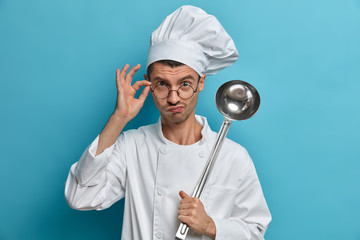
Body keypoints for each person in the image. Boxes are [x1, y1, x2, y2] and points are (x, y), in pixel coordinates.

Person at [65, 5, 271, 240]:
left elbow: (256, 233)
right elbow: (79, 196)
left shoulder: (233, 157)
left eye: (185, 84)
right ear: (148, 83)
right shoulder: (133, 146)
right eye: (162, 84)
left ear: (201, 82)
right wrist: (119, 118)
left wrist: (211, 226)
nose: (174, 98)